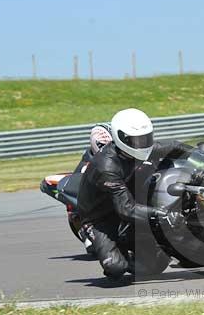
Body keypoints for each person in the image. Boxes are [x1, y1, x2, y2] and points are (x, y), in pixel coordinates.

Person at [77, 108, 192, 278]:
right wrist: (162, 214)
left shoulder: (136, 148)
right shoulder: (107, 167)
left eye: (146, 138)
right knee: (116, 268)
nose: (143, 144)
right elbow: (126, 209)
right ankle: (116, 247)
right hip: (100, 218)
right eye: (137, 140)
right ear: (121, 138)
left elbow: (174, 146)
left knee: (157, 264)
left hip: (128, 200)